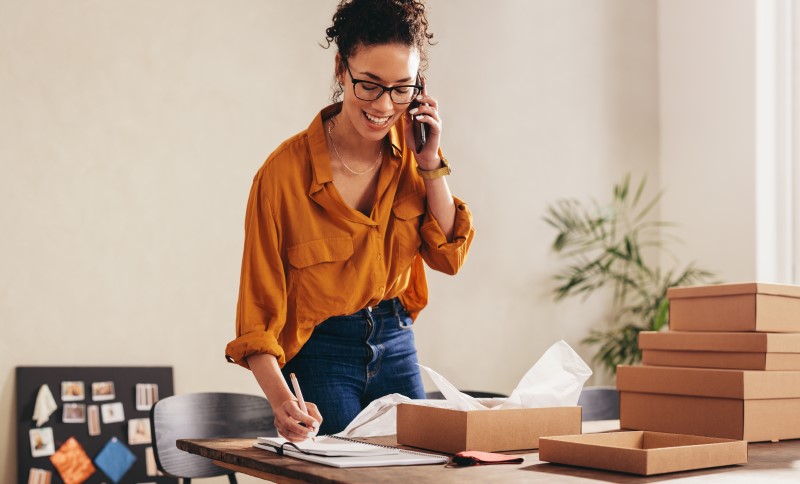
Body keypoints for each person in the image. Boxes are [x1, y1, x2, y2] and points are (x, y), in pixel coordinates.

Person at [225, 0, 474, 441]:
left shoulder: (414, 155)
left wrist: (431, 161)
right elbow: (257, 318)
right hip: (322, 352)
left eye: (403, 88)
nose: (385, 105)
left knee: (421, 471)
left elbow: (450, 255)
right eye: (369, 85)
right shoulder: (282, 177)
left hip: (396, 340)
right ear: (341, 68)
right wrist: (283, 402)